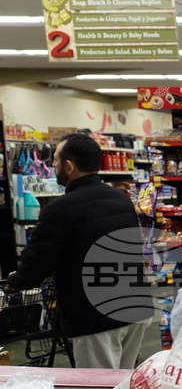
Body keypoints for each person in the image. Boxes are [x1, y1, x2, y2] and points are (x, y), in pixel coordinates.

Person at [7, 133, 153, 369]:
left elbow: (36, 264)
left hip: (96, 318)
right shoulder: (121, 198)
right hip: (135, 307)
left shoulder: (59, 210)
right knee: (123, 388)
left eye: (55, 160)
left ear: (69, 165)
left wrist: (17, 280)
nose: (52, 165)